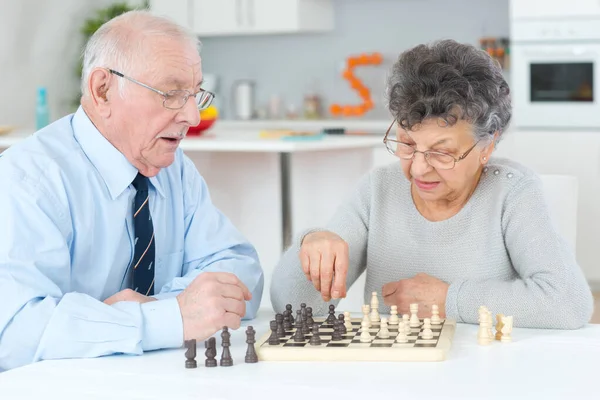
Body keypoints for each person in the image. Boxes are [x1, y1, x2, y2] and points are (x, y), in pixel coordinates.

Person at [0, 11, 264, 371]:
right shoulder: (28, 180)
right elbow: (14, 333)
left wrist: (162, 312)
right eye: (171, 94)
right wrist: (166, 320)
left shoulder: (175, 169)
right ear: (102, 89)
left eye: (194, 94)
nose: (193, 116)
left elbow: (240, 269)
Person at [270, 39, 594, 330]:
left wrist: (448, 300)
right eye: (407, 144)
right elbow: (294, 308)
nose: (420, 169)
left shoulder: (513, 193)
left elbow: (568, 303)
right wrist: (311, 244)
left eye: (442, 152)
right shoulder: (377, 190)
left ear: (487, 146)